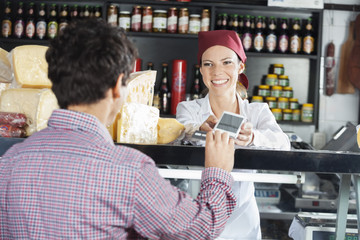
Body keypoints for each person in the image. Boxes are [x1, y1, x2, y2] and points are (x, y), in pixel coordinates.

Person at [0, 19, 238, 239]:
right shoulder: (129, 170)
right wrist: (218, 172)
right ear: (117, 87)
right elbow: (200, 227)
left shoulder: (9, 162)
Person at [176, 30, 291, 240]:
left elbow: (283, 143)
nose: (217, 71)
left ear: (240, 66)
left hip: (243, 219)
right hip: (198, 216)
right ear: (201, 70)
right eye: (208, 64)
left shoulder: (257, 112)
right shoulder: (189, 109)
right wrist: (198, 128)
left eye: (227, 62)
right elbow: (180, 129)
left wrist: (253, 136)